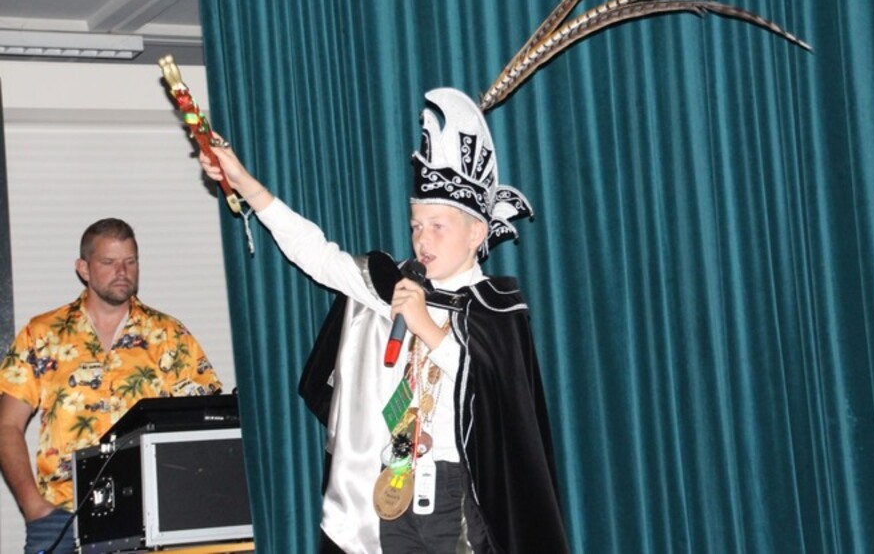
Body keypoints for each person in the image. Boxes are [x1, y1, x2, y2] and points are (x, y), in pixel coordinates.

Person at [200, 87, 569, 553]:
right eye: (416, 226)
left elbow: (492, 394)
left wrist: (426, 326)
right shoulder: (390, 285)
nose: (423, 240)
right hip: (394, 483)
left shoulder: (495, 308)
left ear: (477, 232)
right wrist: (246, 184)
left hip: (455, 495)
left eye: (438, 226)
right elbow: (317, 254)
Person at [0, 218, 223, 554]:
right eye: (109, 262)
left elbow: (207, 423)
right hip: (61, 518)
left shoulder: (169, 336)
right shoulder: (43, 334)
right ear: (84, 268)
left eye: (130, 261)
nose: (122, 271)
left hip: (149, 520)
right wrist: (32, 505)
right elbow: (7, 425)